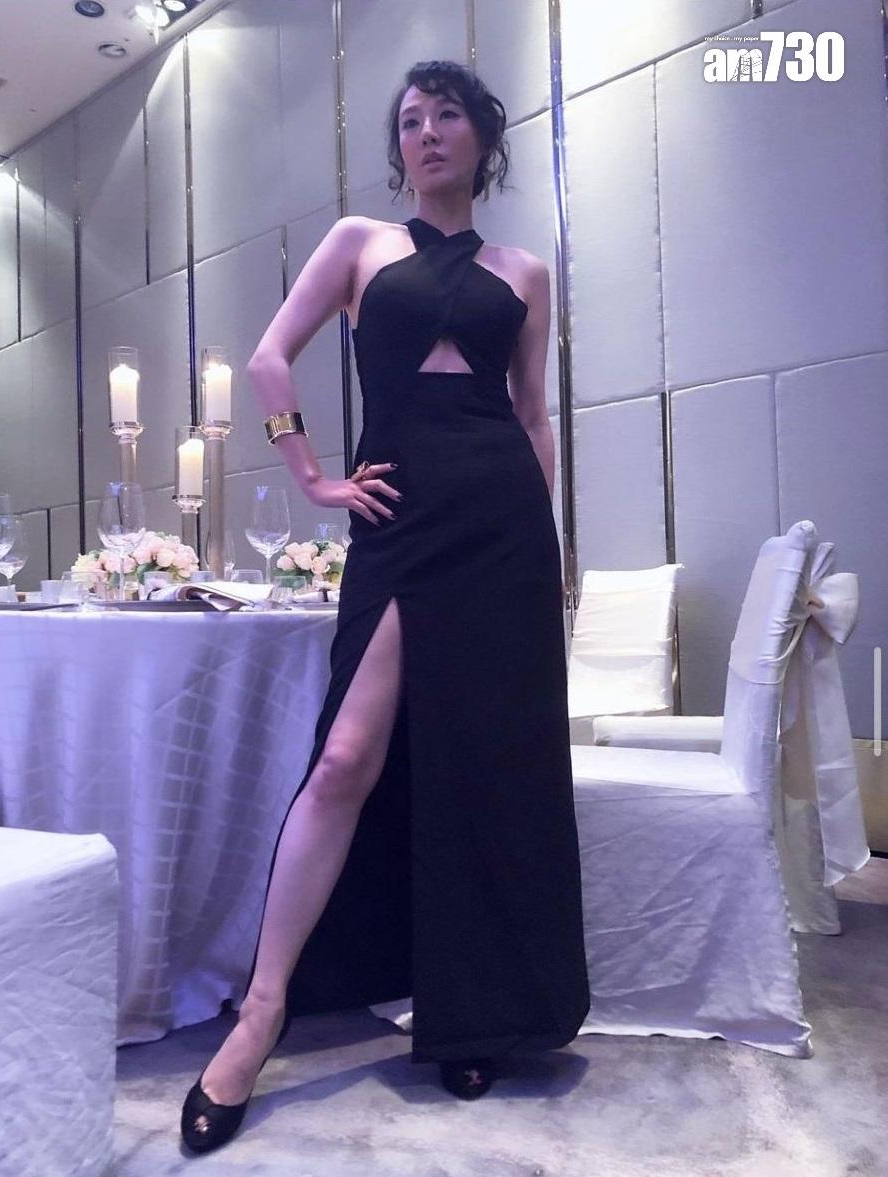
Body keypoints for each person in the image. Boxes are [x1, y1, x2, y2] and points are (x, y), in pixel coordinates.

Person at [180, 58, 590, 1155]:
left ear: (482, 137)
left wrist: (543, 542)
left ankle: (478, 1012)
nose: (426, 132)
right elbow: (269, 360)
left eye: (446, 114)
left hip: (500, 526)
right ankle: (262, 1010)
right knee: (347, 757)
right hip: (399, 516)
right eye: (409, 120)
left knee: (484, 763)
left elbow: (532, 415)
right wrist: (311, 476)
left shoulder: (524, 270)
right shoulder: (360, 243)